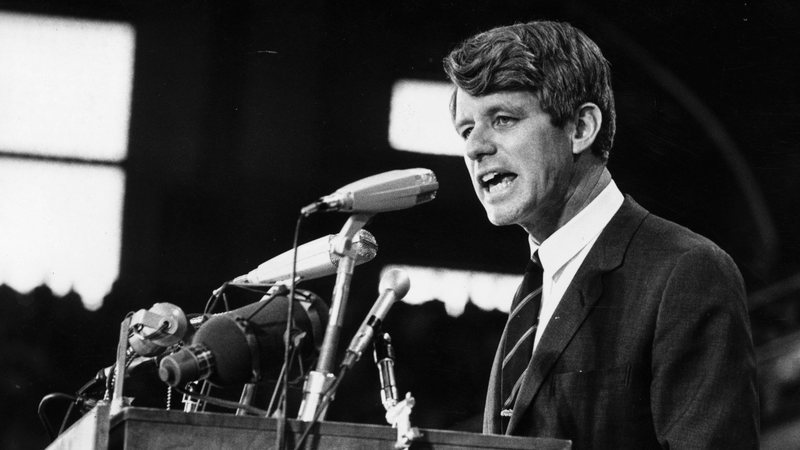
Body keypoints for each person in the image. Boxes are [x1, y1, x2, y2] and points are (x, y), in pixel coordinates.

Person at [443, 21, 759, 448]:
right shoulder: (535, 292)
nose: (475, 147)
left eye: (502, 119)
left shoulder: (686, 271)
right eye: (466, 130)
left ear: (580, 128)